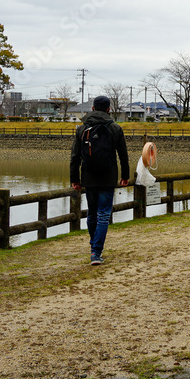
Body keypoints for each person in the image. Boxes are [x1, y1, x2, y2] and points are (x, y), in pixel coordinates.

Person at [70, 95, 129, 265]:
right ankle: (96, 251)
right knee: (103, 215)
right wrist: (125, 176)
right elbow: (123, 155)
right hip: (108, 177)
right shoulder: (115, 128)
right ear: (109, 109)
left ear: (93, 108)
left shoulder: (81, 129)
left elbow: (75, 157)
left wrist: (74, 178)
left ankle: (93, 247)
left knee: (92, 213)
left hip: (88, 177)